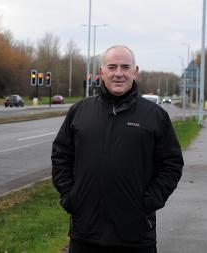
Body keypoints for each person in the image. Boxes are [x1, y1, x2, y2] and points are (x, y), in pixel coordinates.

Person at [51, 45, 184, 253]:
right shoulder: (80, 111)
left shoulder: (155, 116)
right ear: (102, 72)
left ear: (135, 71)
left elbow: (171, 164)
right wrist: (71, 196)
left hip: (136, 235)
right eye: (112, 67)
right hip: (85, 233)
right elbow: (61, 156)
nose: (119, 73)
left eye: (125, 67)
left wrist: (148, 202)